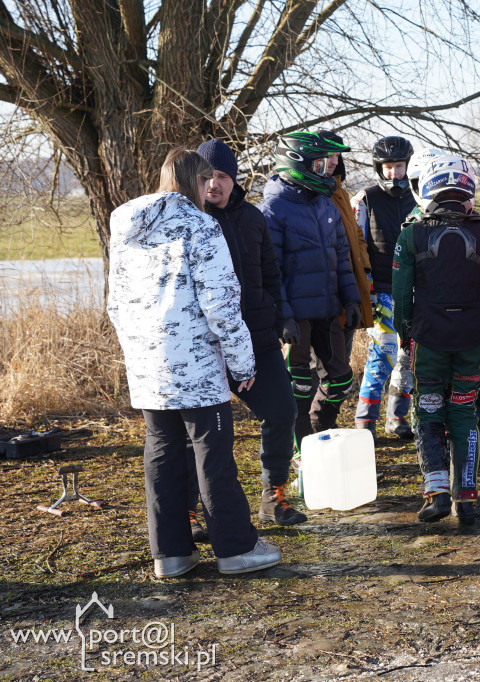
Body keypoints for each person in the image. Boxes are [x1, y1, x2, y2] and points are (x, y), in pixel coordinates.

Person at [107, 147, 281, 577]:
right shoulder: (201, 227)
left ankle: (171, 555)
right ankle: (236, 548)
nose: (212, 190)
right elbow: (222, 305)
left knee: (162, 454)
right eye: (208, 182)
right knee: (212, 454)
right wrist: (243, 363)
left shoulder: (127, 231)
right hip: (197, 365)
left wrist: (138, 352)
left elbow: (115, 304)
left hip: (148, 366)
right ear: (198, 182)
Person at [392, 155, 480, 525]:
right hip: (470, 341)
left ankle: (436, 493)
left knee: (428, 411)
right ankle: (466, 498)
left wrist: (404, 335)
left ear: (426, 190)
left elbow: (401, 299)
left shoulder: (410, 234)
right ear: (468, 191)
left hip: (428, 341)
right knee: (464, 412)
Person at [185, 138, 305, 531]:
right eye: (207, 177)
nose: (214, 185)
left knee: (283, 410)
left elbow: (271, 274)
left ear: (235, 181)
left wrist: (282, 316)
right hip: (205, 342)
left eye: (222, 177)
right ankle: (190, 508)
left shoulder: (253, 218)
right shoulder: (189, 220)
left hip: (257, 332)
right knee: (199, 430)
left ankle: (274, 495)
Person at [259, 132, 362, 451]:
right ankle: (301, 450)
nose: (326, 168)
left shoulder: (325, 202)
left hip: (328, 309)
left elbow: (342, 257)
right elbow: (269, 272)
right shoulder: (273, 209)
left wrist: (352, 298)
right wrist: (283, 317)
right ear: (297, 165)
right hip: (296, 317)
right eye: (318, 163)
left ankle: (321, 431)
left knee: (342, 381)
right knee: (299, 384)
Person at [352, 136, 417, 443]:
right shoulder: (364, 198)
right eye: (389, 167)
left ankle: (397, 416)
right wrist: (365, 289)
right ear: (380, 167)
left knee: (409, 354)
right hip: (380, 290)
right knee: (385, 351)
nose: (394, 173)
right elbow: (356, 247)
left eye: (399, 167)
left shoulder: (418, 197)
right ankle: (364, 421)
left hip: (414, 290)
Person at [321, 131, 375, 363]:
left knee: (341, 370)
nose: (334, 161)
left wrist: (364, 275)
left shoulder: (340, 193)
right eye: (327, 155)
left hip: (349, 296)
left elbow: (357, 237)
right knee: (317, 374)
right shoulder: (310, 195)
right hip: (322, 305)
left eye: (337, 155)